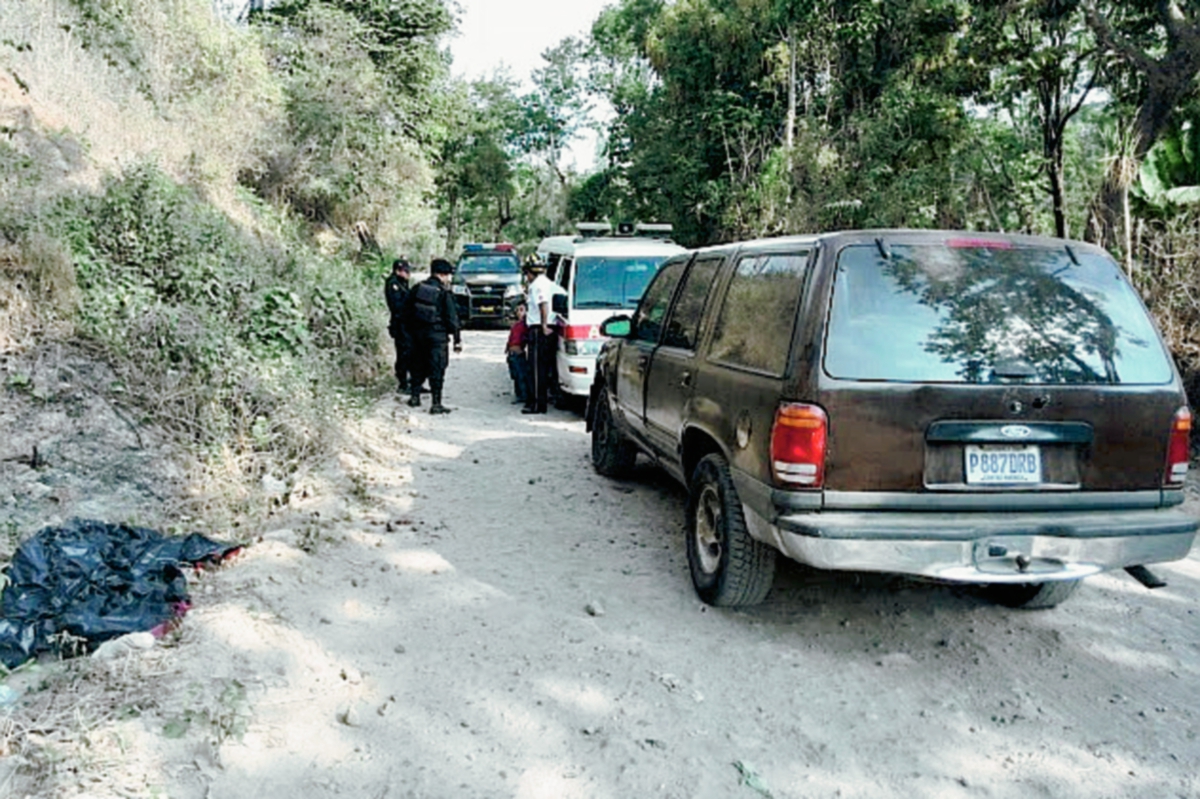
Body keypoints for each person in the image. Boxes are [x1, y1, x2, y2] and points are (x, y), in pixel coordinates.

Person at [402, 257, 462, 414]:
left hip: (417, 336)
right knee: (437, 368)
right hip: (437, 337)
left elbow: (406, 313)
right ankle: (436, 404)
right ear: (442, 275)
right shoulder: (444, 293)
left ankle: (415, 397)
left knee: (418, 365)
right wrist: (457, 340)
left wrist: (410, 333)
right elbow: (452, 318)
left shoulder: (416, 288)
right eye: (448, 275)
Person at [522, 254, 557, 414]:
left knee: (536, 369)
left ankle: (537, 404)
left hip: (539, 330)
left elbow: (543, 304)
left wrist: (543, 325)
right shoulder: (547, 283)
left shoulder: (538, 285)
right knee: (541, 368)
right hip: (542, 327)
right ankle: (537, 401)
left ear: (530, 272)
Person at [384, 258, 412, 393]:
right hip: (400, 324)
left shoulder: (403, 283)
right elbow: (397, 306)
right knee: (403, 354)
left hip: (407, 323)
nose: (408, 274)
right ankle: (402, 383)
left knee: (411, 353)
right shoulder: (393, 284)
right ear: (398, 271)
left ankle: (412, 382)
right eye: (405, 271)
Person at [505, 302, 531, 405]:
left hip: (519, 353)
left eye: (522, 310)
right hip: (512, 353)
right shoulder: (516, 325)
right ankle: (519, 394)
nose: (519, 313)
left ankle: (524, 395)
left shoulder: (526, 325)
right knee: (515, 375)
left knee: (521, 375)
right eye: (517, 310)